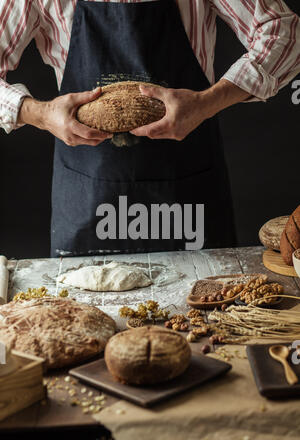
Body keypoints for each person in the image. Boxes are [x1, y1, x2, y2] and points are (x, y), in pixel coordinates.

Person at [1, 0, 299, 257]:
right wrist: (40, 113)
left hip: (188, 195)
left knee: (204, 317)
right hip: (87, 195)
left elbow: (284, 32)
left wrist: (207, 102)